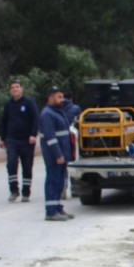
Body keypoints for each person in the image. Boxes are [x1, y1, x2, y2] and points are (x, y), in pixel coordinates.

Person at [39, 86, 76, 221]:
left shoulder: (57, 112)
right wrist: (58, 154)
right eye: (59, 97)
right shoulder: (47, 114)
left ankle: (58, 207)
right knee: (53, 181)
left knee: (60, 182)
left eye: (63, 96)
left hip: (62, 154)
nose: (62, 100)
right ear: (51, 98)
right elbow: (50, 137)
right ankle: (51, 211)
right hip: (54, 155)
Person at [0, 80, 38, 202]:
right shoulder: (8, 104)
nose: (15, 89)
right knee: (11, 164)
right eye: (12, 88)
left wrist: (33, 134)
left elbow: (35, 118)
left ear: (22, 89)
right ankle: (14, 190)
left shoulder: (29, 103)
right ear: (10, 91)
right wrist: (2, 138)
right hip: (12, 140)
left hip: (27, 140)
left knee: (27, 166)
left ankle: (26, 192)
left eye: (17, 87)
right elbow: (4, 121)